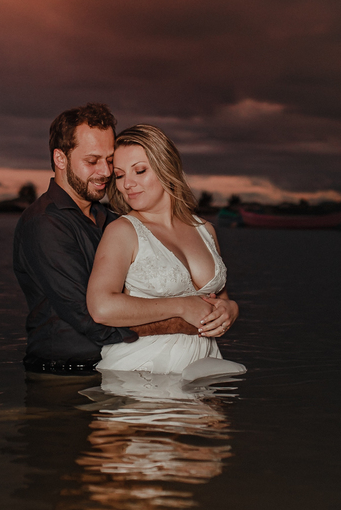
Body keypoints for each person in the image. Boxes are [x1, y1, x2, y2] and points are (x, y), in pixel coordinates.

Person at [13, 104, 204, 377]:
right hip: (64, 375)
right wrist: (182, 322)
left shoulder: (114, 220)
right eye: (92, 161)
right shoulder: (44, 224)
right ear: (60, 158)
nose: (104, 172)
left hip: (116, 368)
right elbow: (92, 319)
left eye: (110, 160)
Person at [87, 124, 245, 379]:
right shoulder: (123, 231)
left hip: (204, 366)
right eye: (119, 175)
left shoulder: (205, 229)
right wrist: (181, 306)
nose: (128, 183)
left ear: (166, 168)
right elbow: (101, 307)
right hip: (142, 371)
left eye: (139, 171)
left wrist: (231, 309)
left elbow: (219, 297)